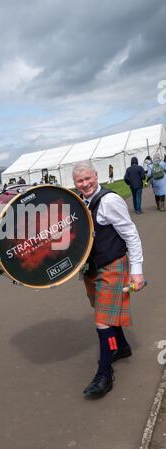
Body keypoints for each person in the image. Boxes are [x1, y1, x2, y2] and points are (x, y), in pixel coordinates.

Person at [72, 162, 145, 399]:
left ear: (96, 176)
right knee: (106, 314)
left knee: (103, 320)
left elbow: (130, 234)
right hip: (92, 269)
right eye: (79, 181)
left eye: (87, 178)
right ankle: (119, 347)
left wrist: (137, 271)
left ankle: (104, 375)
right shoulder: (79, 203)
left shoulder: (109, 201)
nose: (84, 184)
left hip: (113, 265)